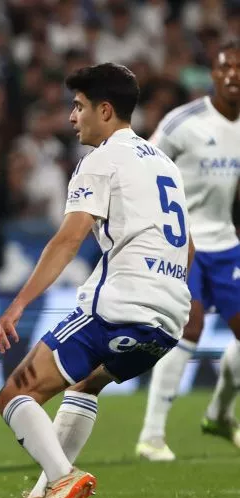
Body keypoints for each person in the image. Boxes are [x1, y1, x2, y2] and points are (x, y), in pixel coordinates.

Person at [0, 63, 192, 498]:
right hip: (168, 318)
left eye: (78, 107)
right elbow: (187, 243)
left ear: (105, 110)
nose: (72, 117)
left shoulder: (100, 160)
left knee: (14, 395)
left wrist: (16, 306)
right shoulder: (164, 163)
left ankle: (61, 478)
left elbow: (68, 239)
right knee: (85, 385)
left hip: (119, 307)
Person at [136, 40, 240, 461]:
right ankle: (151, 436)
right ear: (212, 76)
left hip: (228, 242)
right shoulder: (184, 122)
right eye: (224, 68)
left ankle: (219, 411)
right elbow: (143, 162)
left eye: (239, 67)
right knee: (189, 326)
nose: (232, 74)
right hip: (185, 241)